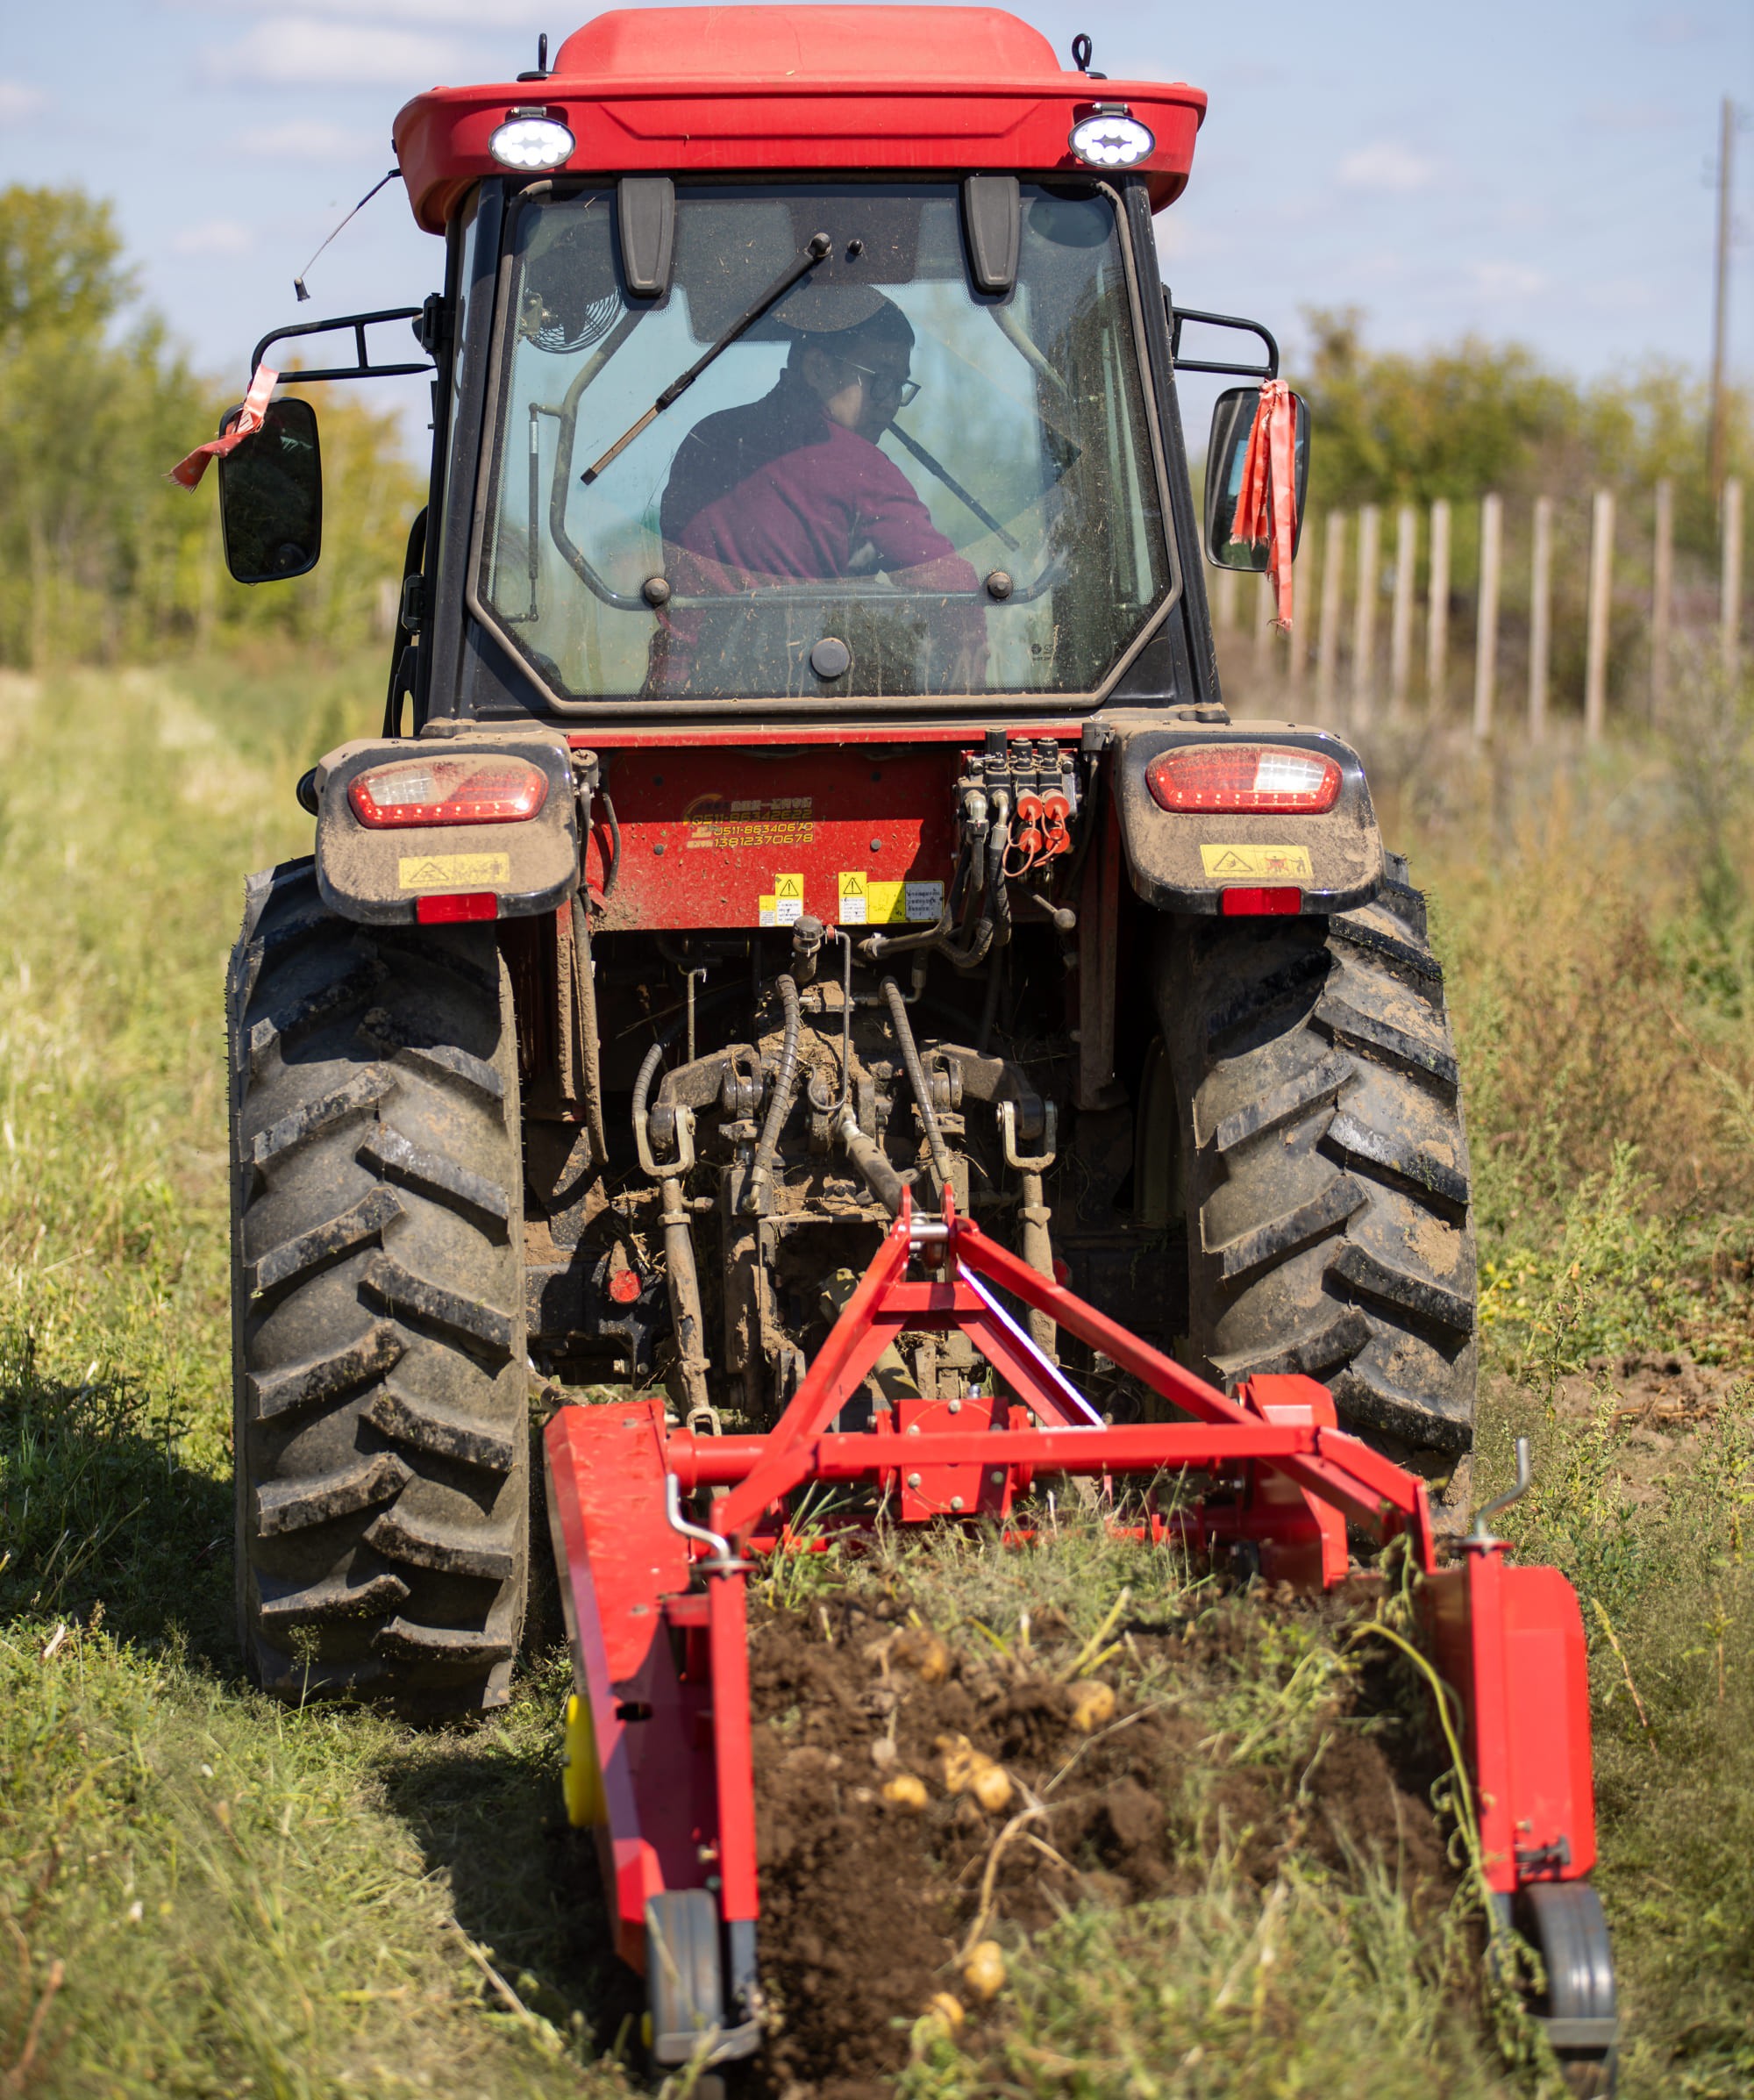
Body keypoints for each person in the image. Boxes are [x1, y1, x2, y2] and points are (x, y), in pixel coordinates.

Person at [645, 286, 986, 695]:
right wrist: (968, 687)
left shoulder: (707, 436)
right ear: (819, 368)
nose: (890, 402)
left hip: (675, 703)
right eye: (879, 381)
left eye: (899, 386)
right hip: (803, 698)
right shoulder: (856, 465)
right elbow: (953, 586)